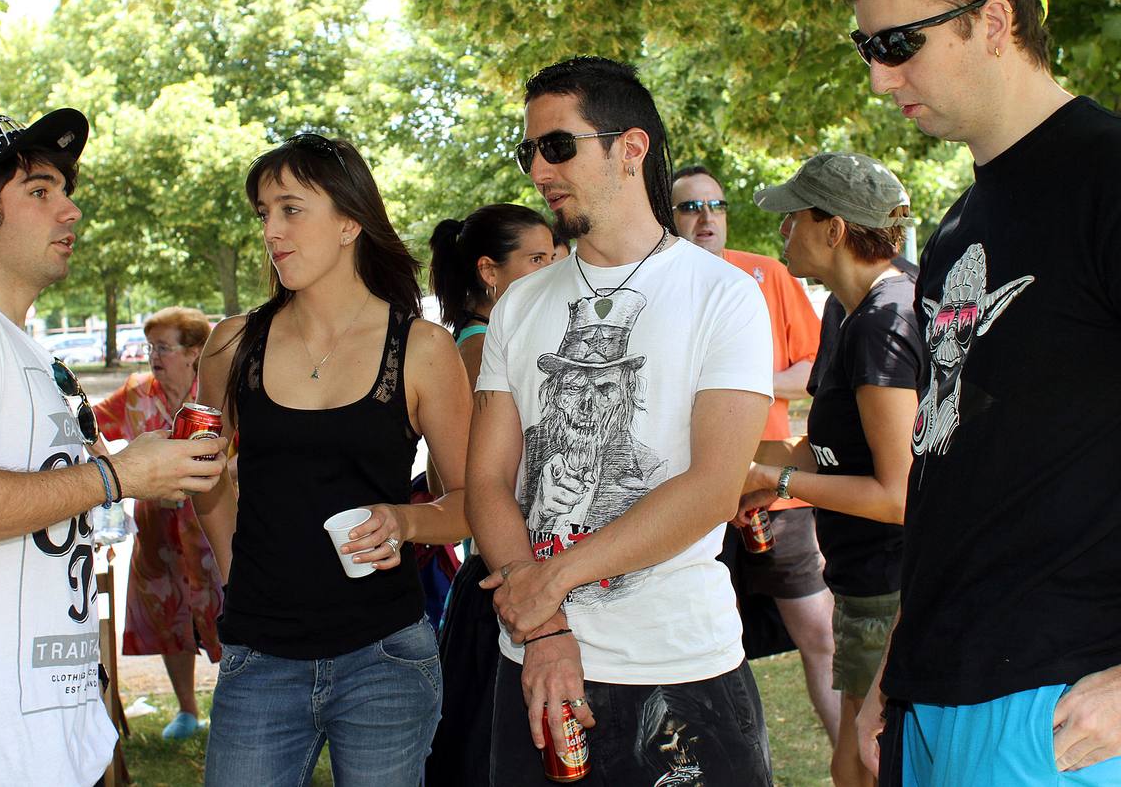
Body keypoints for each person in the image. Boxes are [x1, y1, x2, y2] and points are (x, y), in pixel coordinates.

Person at [840, 0, 1121, 783]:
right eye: (866, 48)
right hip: (929, 695)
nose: (878, 77)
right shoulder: (956, 228)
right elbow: (953, 471)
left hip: (1059, 705)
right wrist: (892, 670)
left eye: (899, 43)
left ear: (992, 21)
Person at [0, 110, 224, 785]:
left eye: (65, 190)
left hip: (40, 737)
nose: (71, 210)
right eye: (40, 191)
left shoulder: (11, 343)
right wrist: (115, 477)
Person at [468, 56, 775, 786]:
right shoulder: (520, 304)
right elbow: (485, 478)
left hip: (679, 665)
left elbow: (711, 488)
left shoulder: (723, 295)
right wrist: (544, 627)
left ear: (629, 148)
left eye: (557, 146)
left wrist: (550, 581)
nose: (539, 171)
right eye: (529, 152)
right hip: (536, 667)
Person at [193, 133, 472, 787]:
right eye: (263, 213)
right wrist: (238, 575)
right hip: (258, 656)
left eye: (291, 209)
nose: (271, 230)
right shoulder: (231, 344)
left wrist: (404, 523)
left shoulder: (423, 349)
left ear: (349, 221)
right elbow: (203, 477)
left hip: (385, 658)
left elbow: (468, 505)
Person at [734, 152, 927, 787]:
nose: (781, 232)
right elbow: (826, 450)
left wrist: (775, 483)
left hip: (896, 588)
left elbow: (899, 494)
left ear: (835, 229)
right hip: (860, 581)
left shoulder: (888, 320)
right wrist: (727, 463)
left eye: (793, 218)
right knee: (852, 766)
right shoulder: (846, 311)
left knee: (863, 767)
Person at [671, 163, 839, 743]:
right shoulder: (654, 285)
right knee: (712, 646)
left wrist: (738, 385)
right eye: (690, 207)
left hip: (771, 488)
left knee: (819, 633)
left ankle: (854, 766)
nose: (705, 218)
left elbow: (816, 371)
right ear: (668, 220)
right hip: (687, 496)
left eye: (715, 206)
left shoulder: (766, 274)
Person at [424, 203, 554, 787]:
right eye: (537, 259)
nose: (554, 270)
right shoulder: (480, 350)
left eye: (555, 257)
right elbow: (473, 481)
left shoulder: (499, 340)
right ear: (488, 272)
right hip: (508, 573)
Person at [93, 305, 225, 740]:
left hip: (212, 530)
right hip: (156, 534)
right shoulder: (135, 393)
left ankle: (234, 706)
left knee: (226, 617)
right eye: (150, 347)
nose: (153, 356)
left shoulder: (217, 395)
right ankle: (187, 711)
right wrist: (106, 482)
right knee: (170, 620)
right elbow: (85, 425)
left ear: (194, 352)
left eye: (163, 348)